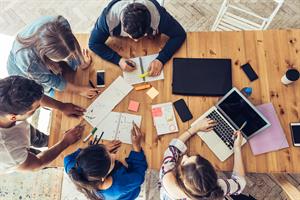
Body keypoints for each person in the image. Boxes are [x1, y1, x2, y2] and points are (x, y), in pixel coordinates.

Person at [0, 76, 85, 173]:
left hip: (15, 130)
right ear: (13, 117)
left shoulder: (5, 91)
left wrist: (62, 106)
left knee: (38, 138)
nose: (40, 105)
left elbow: (36, 98)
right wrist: (65, 142)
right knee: (47, 162)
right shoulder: (8, 152)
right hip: (14, 153)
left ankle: (48, 141)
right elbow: (38, 163)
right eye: (35, 109)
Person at [7, 15, 100, 98]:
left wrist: (80, 62)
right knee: (53, 93)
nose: (69, 58)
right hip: (21, 70)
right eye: (61, 58)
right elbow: (53, 82)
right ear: (47, 57)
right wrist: (79, 90)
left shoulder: (61, 22)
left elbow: (71, 44)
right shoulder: (29, 62)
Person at [89, 0, 186, 76]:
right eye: (131, 36)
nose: (135, 41)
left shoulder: (159, 16)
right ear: (122, 23)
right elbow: (93, 44)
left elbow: (180, 34)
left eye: (142, 36)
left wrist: (161, 59)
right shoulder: (107, 19)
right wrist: (118, 60)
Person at [159, 118, 246, 200]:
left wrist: (194, 128)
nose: (185, 156)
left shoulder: (168, 179)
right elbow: (240, 183)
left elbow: (173, 149)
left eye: (185, 161)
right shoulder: (219, 188)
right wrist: (237, 147)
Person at [64, 122, 147, 200]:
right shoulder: (119, 185)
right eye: (111, 160)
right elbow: (139, 176)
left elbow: (67, 158)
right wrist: (137, 148)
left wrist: (101, 149)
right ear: (103, 177)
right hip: (127, 193)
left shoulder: (72, 166)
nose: (114, 155)